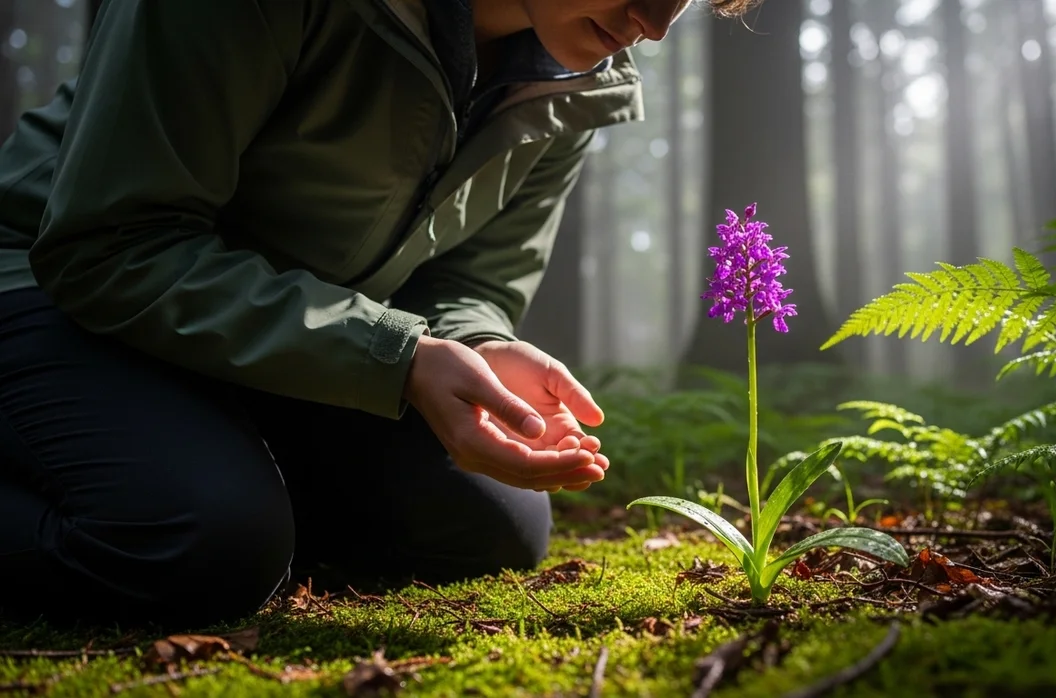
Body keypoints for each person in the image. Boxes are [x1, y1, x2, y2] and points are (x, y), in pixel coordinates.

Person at [0, 0, 757, 627]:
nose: (657, 22)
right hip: (51, 283)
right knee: (197, 544)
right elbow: (109, 245)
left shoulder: (570, 77)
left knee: (487, 526)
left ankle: (228, 494)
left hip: (267, 329)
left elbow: (468, 279)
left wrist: (476, 341)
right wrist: (392, 358)